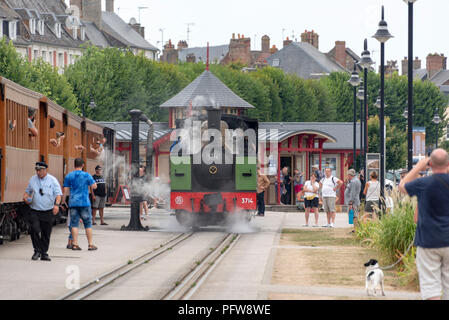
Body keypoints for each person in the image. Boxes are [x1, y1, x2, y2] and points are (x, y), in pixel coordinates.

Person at [399, 149, 449, 300]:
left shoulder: (423, 183)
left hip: (428, 240)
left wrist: (418, 167)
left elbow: (402, 186)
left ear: (430, 163)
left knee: (430, 285)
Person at [23, 162, 62, 261]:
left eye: (40, 170)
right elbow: (27, 192)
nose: (38, 172)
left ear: (45, 170)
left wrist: (56, 205)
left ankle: (44, 252)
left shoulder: (52, 180)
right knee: (35, 229)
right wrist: (26, 198)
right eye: (37, 170)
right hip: (35, 210)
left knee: (46, 232)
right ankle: (36, 251)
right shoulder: (32, 179)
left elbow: (58, 194)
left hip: (48, 210)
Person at [63, 158, 98, 251]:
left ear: (74, 165)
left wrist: (63, 201)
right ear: (82, 165)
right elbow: (94, 186)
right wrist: (92, 184)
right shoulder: (87, 175)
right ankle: (90, 244)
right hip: (84, 203)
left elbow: (65, 189)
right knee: (88, 224)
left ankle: (75, 244)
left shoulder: (69, 176)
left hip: (73, 203)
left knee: (74, 224)